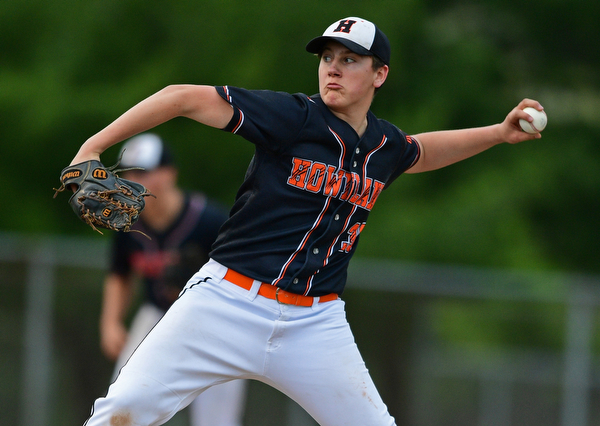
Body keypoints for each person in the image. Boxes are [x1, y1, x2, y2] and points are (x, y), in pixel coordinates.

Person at [69, 17, 545, 426]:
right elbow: (180, 97)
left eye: (350, 59)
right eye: (327, 57)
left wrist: (499, 134)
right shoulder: (293, 117)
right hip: (227, 302)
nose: (333, 67)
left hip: (315, 323)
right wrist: (93, 145)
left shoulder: (384, 147)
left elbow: (422, 152)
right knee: (123, 409)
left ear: (380, 74)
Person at [99, 133, 247, 426]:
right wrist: (110, 322)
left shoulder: (208, 220)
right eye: (129, 172)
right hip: (157, 316)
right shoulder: (126, 222)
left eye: (144, 172)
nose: (133, 180)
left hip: (213, 324)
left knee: (217, 420)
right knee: (122, 401)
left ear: (169, 174)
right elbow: (120, 274)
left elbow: (242, 275)